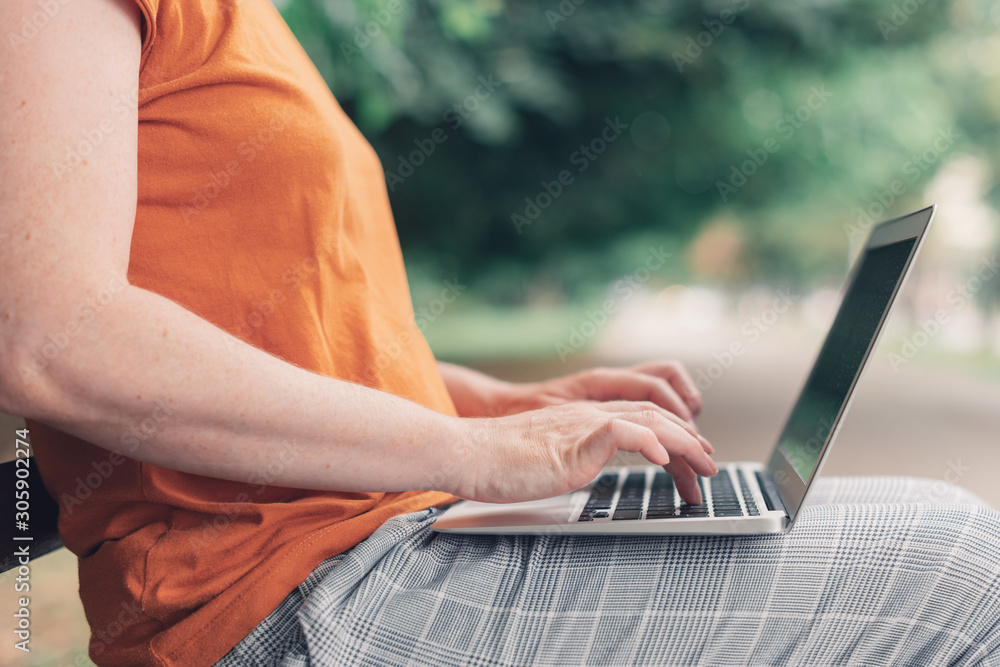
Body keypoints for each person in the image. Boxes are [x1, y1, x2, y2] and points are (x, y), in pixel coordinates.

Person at [1, 1, 997, 665]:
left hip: (383, 539)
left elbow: (283, 332)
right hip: (290, 600)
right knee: (963, 570)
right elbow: (48, 335)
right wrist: (469, 450)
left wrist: (499, 403)